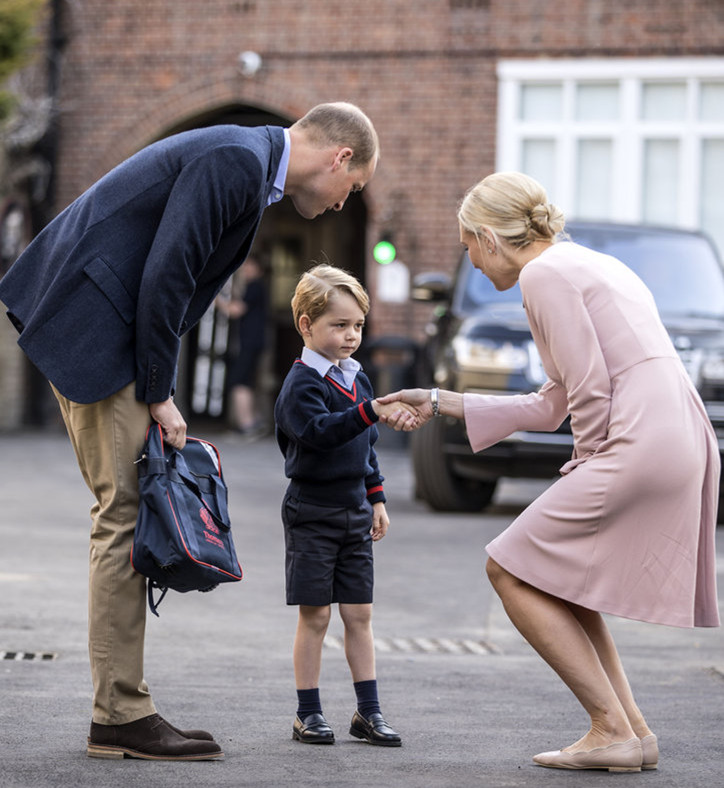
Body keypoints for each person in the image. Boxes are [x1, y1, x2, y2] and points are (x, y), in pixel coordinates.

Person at [0, 102, 379, 761]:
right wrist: (160, 391)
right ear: (339, 157)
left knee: (123, 511)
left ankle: (121, 709)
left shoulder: (246, 162)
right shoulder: (236, 160)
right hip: (99, 332)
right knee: (124, 515)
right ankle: (119, 714)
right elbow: (167, 273)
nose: (348, 204)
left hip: (100, 327)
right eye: (355, 188)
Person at [379, 172, 720, 772]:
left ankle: (609, 727)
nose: (474, 265)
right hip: (676, 433)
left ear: (489, 237)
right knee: (565, 580)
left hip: (635, 440)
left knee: (507, 567)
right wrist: (437, 400)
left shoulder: (543, 275)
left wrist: (585, 463)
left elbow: (587, 390)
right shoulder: (587, 264)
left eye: (467, 249)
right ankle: (631, 732)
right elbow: (550, 400)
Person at [274, 264, 416, 747]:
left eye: (357, 324)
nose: (351, 335)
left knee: (359, 616)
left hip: (355, 510)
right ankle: (307, 713)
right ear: (306, 325)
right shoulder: (301, 386)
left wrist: (376, 498)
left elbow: (365, 446)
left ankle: (368, 713)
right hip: (311, 511)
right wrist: (367, 412)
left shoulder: (357, 379)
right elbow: (320, 434)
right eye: (339, 325)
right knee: (316, 616)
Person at [215, 255, 268, 437]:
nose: (245, 270)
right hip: (252, 342)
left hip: (250, 342)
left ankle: (247, 425)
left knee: (238, 380)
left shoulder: (255, 286)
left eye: (249, 267)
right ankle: (252, 422)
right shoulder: (255, 287)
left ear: (258, 268)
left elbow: (234, 310)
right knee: (245, 380)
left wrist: (214, 298)